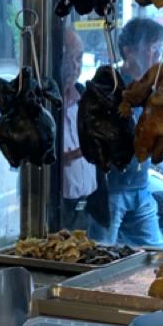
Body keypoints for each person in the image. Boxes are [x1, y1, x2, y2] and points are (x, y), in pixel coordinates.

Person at [87, 16, 163, 247]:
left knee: (155, 251)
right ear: (129, 51)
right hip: (111, 190)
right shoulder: (110, 86)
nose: (157, 57)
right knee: (100, 253)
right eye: (152, 49)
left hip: (141, 186)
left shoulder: (151, 88)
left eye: (159, 50)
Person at [59, 24, 95, 229]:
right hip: (59, 207)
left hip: (86, 205)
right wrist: (77, 153)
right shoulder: (42, 104)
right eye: (68, 58)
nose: (75, 65)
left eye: (79, 58)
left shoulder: (83, 98)